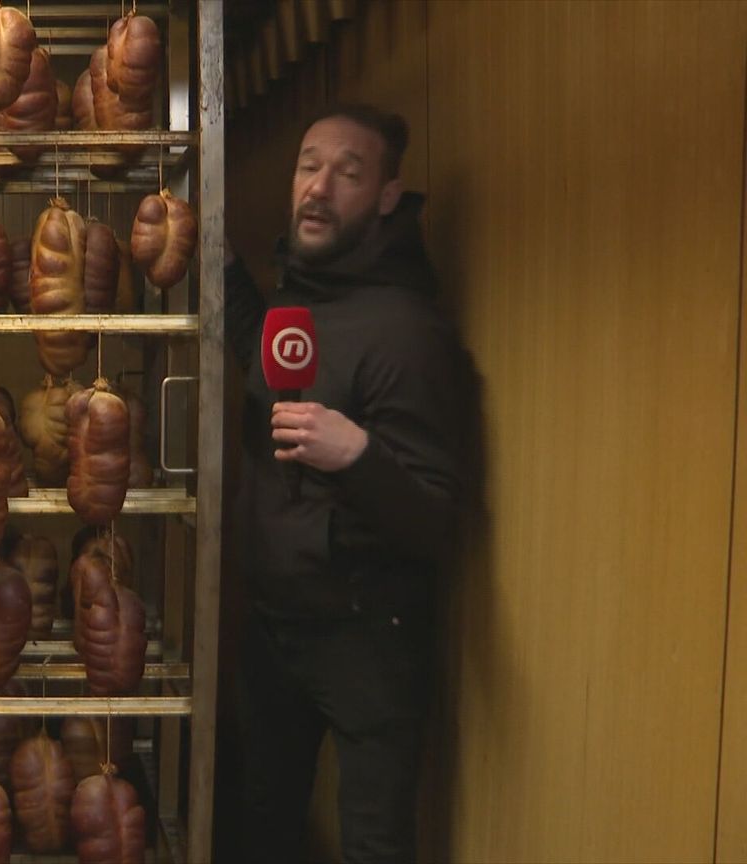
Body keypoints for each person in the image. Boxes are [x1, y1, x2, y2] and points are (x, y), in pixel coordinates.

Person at [224, 104, 468, 863]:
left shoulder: (406, 331)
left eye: (348, 173)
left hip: (366, 638)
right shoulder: (303, 299)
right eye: (309, 166)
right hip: (277, 624)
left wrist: (356, 453)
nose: (318, 188)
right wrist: (220, 265)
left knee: (372, 843)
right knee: (262, 827)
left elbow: (436, 519)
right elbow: (269, 371)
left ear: (388, 196)